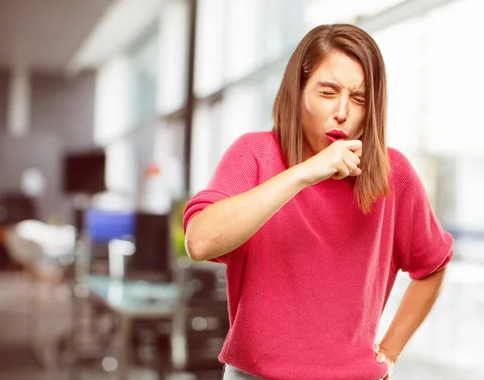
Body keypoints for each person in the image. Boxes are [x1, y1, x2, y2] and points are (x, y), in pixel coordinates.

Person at [183, 23, 453, 380]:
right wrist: (305, 172)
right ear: (298, 91)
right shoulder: (254, 153)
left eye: (359, 99)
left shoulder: (393, 173)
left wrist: (390, 350)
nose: (342, 112)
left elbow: (433, 266)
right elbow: (199, 242)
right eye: (328, 92)